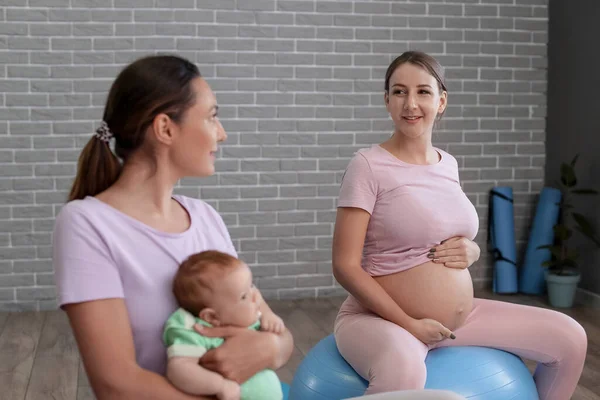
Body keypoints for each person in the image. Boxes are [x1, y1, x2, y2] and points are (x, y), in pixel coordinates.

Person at [332, 51, 587, 400]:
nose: (411, 103)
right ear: (386, 100)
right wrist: (410, 324)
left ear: (441, 102)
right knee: (402, 369)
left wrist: (473, 248)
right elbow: (344, 265)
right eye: (399, 91)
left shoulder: (447, 164)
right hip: (380, 319)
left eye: (423, 91)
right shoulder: (367, 165)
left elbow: (445, 229)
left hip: (455, 322)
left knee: (569, 338)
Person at [52, 54, 293, 400]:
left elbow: (269, 325)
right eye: (212, 117)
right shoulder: (86, 224)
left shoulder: (207, 218)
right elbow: (115, 384)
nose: (222, 134)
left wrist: (271, 348)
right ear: (165, 128)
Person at [164, 250, 285, 400]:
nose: (255, 297)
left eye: (251, 287)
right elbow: (179, 370)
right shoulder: (197, 333)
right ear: (212, 316)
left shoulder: (246, 319)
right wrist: (220, 385)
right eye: (244, 296)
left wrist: (270, 316)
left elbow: (280, 345)